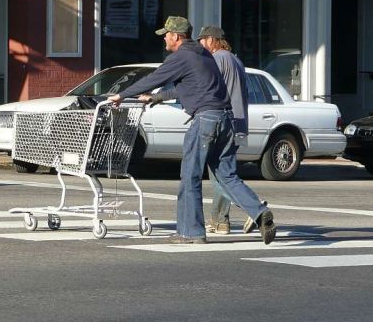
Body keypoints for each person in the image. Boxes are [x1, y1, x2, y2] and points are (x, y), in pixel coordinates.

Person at [107, 16, 277, 245]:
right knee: (226, 175)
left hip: (206, 119)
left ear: (176, 37)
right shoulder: (203, 55)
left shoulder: (181, 56)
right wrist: (156, 97)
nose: (164, 38)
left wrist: (121, 95)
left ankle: (191, 232)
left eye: (166, 35)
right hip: (226, 120)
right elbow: (189, 87)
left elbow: (154, 78)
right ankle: (259, 213)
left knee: (190, 176)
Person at [195, 26, 262, 235]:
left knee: (221, 174)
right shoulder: (235, 59)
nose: (200, 45)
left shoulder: (217, 59)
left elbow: (208, 87)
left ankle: (254, 207)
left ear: (212, 40)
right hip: (238, 122)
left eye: (202, 40)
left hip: (224, 121)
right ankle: (220, 221)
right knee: (221, 173)